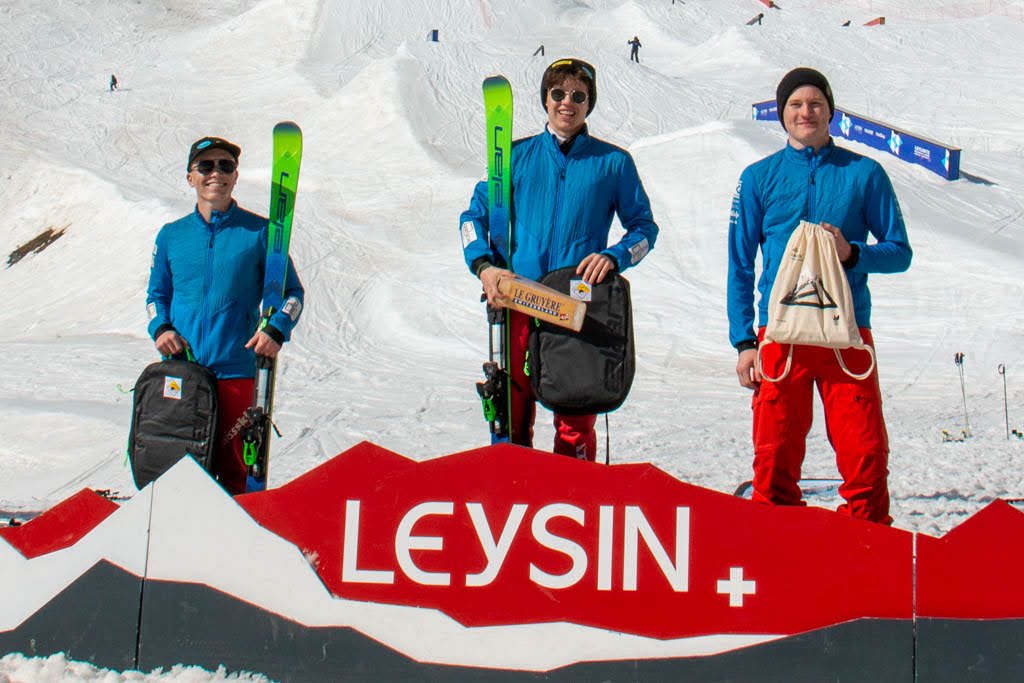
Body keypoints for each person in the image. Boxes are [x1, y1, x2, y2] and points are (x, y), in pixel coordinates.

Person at [727, 67, 912, 524]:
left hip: (846, 334)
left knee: (866, 454)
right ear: (782, 114)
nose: (805, 112)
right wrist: (744, 341)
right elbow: (740, 263)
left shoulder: (864, 173)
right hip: (780, 336)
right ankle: (775, 544)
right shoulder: (758, 178)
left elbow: (899, 252)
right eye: (795, 104)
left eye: (815, 104)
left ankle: (867, 545)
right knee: (773, 455)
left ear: (831, 112)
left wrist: (852, 253)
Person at [459, 58, 659, 461]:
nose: (567, 102)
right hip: (517, 300)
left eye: (578, 96)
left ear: (589, 104)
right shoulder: (512, 157)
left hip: (575, 305)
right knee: (513, 412)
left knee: (575, 416)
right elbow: (471, 219)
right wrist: (484, 266)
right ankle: (514, 486)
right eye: (558, 93)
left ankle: (574, 489)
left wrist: (615, 256)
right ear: (546, 100)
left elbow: (644, 230)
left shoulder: (613, 163)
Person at [146, 136, 304, 495]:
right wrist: (161, 327)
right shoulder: (171, 236)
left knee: (237, 472)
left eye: (225, 166)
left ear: (235, 176)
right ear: (191, 177)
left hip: (237, 372)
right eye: (206, 166)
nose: (215, 173)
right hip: (182, 373)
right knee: (176, 472)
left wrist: (276, 329)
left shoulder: (262, 233)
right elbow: (156, 296)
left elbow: (293, 294)